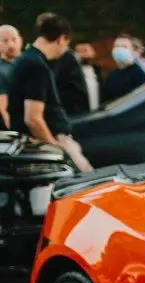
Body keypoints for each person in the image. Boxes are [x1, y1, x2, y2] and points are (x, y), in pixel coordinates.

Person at [7, 14, 91, 171]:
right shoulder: (37, 66)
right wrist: (56, 150)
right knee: (87, 185)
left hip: (31, 142)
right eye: (66, 44)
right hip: (48, 140)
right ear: (61, 39)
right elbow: (33, 118)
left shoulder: (24, 60)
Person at [102, 35, 145, 104]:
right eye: (117, 46)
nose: (119, 50)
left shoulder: (139, 73)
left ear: (133, 51)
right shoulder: (112, 75)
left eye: (124, 47)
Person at [0, 25, 21, 129]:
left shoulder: (26, 64)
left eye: (14, 39)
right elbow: (3, 108)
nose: (11, 45)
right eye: (5, 41)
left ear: (20, 41)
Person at [75, 43, 102, 111]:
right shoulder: (72, 73)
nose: (84, 54)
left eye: (86, 50)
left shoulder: (97, 70)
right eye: (80, 51)